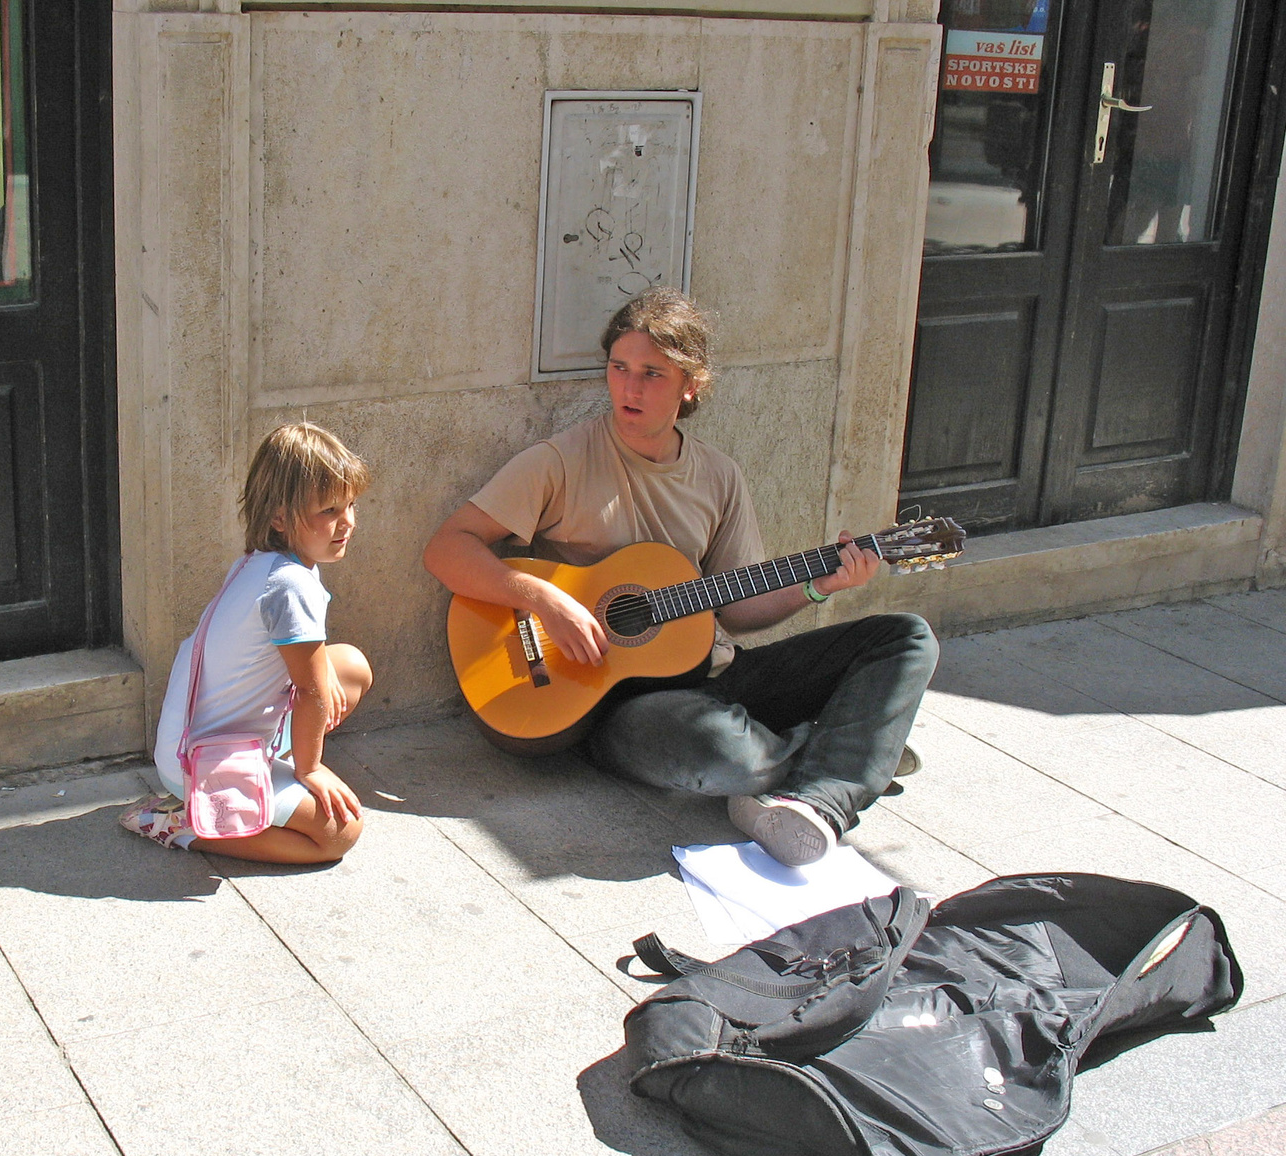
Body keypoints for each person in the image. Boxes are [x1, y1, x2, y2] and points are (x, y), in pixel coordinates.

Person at [423, 288, 938, 867]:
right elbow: (448, 549)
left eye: (652, 374)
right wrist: (542, 598)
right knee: (722, 751)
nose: (630, 388)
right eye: (619, 368)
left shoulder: (718, 476)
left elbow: (738, 608)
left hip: (717, 676)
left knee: (906, 637)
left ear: (690, 385)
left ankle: (812, 793)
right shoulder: (560, 461)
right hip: (619, 705)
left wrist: (821, 586)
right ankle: (852, 754)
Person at [121, 422, 373, 863]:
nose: (347, 522)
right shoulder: (290, 585)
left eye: (351, 504)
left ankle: (269, 773)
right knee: (340, 834)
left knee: (349, 665)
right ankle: (180, 824)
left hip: (194, 738)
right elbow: (311, 690)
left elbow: (311, 677)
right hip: (202, 762)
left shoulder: (264, 564)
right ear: (280, 517)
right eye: (329, 510)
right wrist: (310, 770)